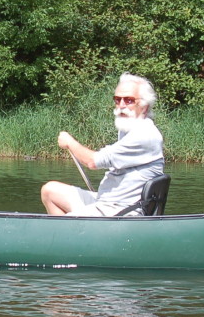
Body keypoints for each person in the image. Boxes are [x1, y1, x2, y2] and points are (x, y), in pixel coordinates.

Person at [41, 73, 164, 216]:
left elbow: (92, 162)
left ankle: (67, 234)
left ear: (144, 107)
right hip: (106, 202)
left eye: (129, 100)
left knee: (68, 222)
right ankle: (65, 235)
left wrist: (70, 142)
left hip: (120, 211)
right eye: (117, 100)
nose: (121, 105)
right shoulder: (129, 128)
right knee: (49, 191)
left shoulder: (144, 135)